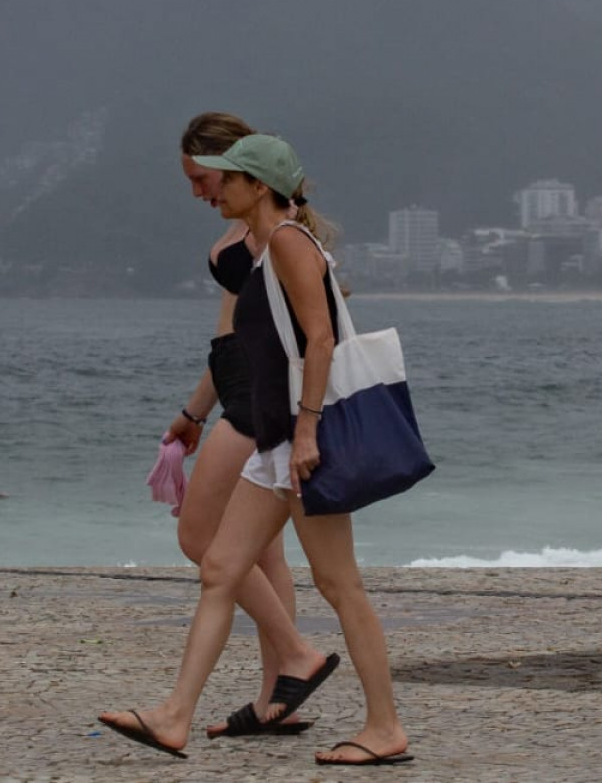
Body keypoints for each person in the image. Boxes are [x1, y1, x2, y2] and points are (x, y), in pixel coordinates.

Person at [101, 134, 411, 767]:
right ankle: (173, 717)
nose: (217, 191)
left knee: (338, 582)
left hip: (304, 444)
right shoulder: (262, 251)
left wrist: (304, 433)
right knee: (219, 567)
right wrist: (203, 413)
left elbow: (321, 342)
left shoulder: (293, 246)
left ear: (259, 186)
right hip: (274, 446)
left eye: (228, 179)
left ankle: (385, 727)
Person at [162, 112, 332, 739]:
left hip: (257, 401)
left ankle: (294, 654)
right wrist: (192, 410)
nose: (196, 191)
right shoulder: (250, 229)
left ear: (242, 171)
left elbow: (307, 327)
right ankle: (272, 701)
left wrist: (302, 415)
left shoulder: (273, 235)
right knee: (264, 553)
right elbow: (234, 331)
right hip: (235, 389)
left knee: (200, 539)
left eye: (201, 176)